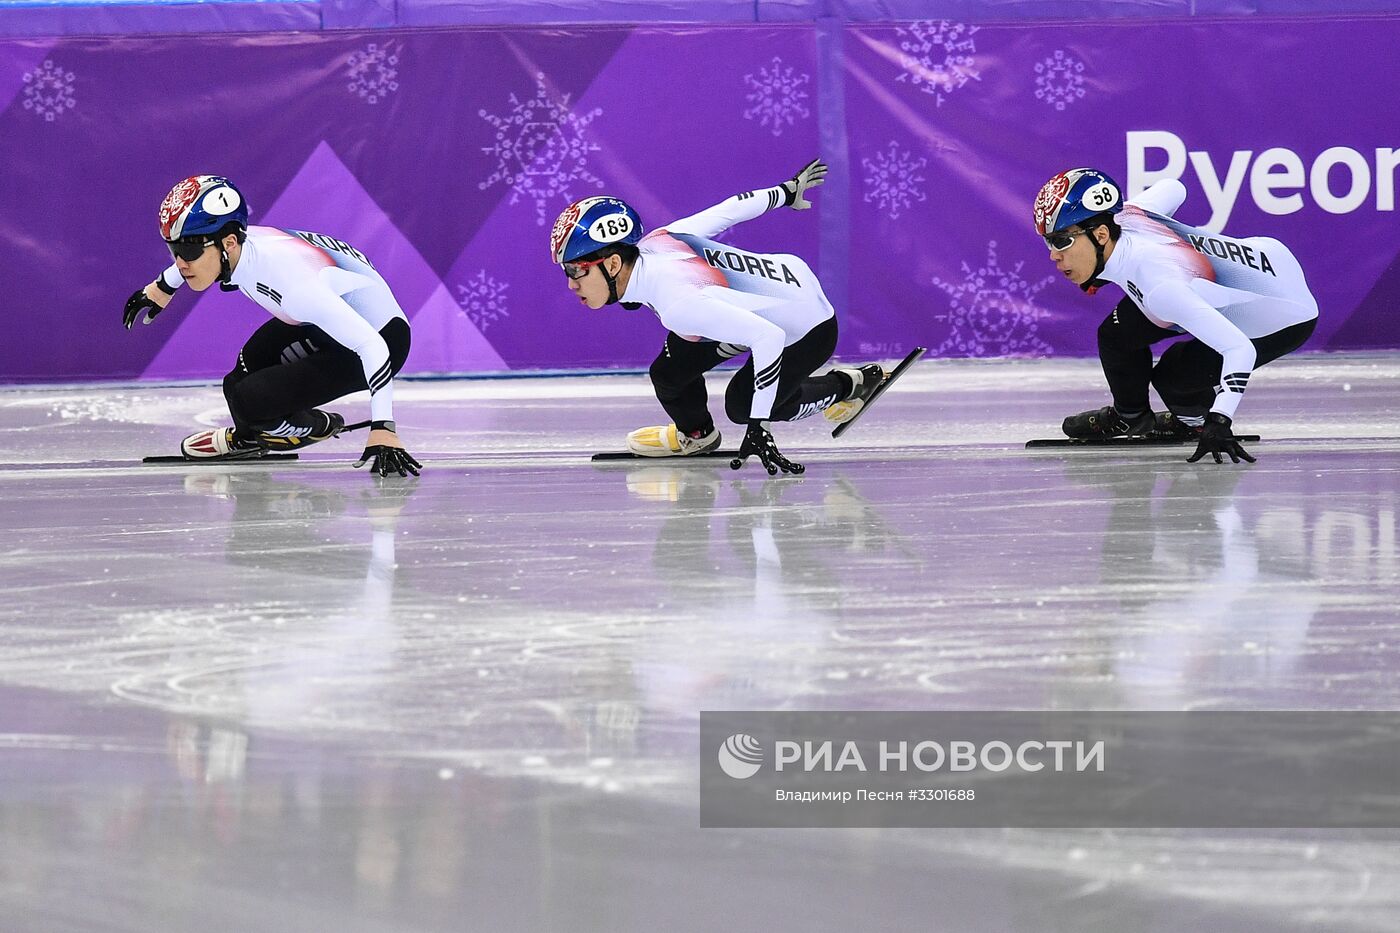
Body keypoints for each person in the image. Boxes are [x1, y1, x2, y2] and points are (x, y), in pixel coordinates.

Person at [548, 159, 887, 475]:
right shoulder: (659, 241)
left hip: (806, 330)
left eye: (576, 270)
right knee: (668, 372)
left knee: (742, 405)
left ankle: (850, 385)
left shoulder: (678, 304)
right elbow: (727, 211)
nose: (570, 283)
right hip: (781, 284)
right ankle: (697, 435)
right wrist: (785, 192)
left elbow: (768, 337)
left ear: (611, 264)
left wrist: (759, 425)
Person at [123, 175, 421, 476]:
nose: (181, 262)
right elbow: (198, 249)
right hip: (326, 318)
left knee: (250, 399)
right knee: (238, 378)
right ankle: (252, 438)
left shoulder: (294, 286)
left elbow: (373, 347)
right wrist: (162, 287)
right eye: (174, 250)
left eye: (188, 253)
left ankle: (315, 425)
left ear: (228, 243)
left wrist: (384, 427)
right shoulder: (239, 243)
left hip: (379, 339)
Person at [1034, 168, 1318, 463]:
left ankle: (1191, 421)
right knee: (1115, 335)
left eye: (1061, 241)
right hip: (1267, 257)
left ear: (1102, 235)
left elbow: (1239, 349)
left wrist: (1220, 421)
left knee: (1173, 376)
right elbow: (1174, 187)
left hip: (1282, 314)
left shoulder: (1159, 287)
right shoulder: (1130, 214)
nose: (1053, 254)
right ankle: (1130, 416)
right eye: (1048, 242)